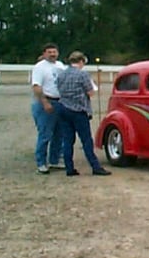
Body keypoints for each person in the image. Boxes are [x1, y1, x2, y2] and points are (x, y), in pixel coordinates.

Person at [56, 51, 111, 177]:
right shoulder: (83, 75)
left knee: (67, 140)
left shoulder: (61, 75)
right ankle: (95, 166)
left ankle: (69, 168)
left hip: (63, 108)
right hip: (79, 110)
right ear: (81, 61)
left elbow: (59, 89)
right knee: (86, 140)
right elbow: (90, 92)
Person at [31, 42, 65, 174]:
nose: (52, 54)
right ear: (44, 53)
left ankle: (55, 160)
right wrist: (45, 102)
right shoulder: (40, 67)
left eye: (54, 51)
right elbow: (36, 87)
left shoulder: (60, 66)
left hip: (60, 102)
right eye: (49, 52)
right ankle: (41, 162)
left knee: (59, 134)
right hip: (46, 102)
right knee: (45, 134)